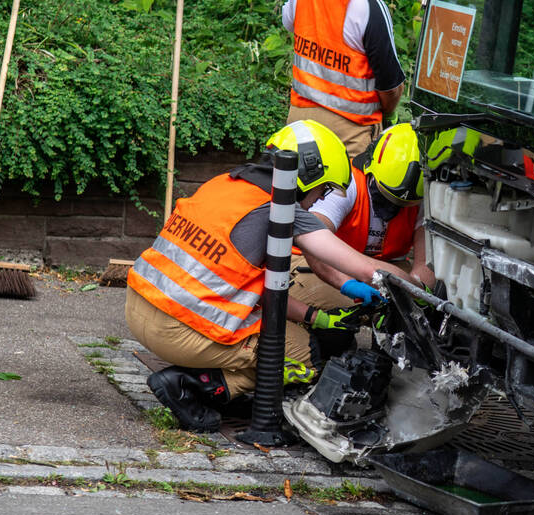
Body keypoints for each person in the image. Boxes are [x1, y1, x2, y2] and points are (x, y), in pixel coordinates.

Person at [124, 120, 417, 432]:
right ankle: (194, 385)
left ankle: (209, 375)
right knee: (307, 356)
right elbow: (363, 266)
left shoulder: (225, 184)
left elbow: (251, 286)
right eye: (324, 189)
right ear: (310, 173)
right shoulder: (280, 209)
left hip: (140, 308)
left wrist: (316, 316)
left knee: (287, 330)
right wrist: (424, 293)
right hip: (178, 330)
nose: (319, 200)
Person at [282, 0, 409, 157]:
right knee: (352, 197)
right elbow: (391, 88)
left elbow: (292, 26)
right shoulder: (367, 6)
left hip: (298, 125)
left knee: (291, 192)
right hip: (351, 135)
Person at [288, 123, 435, 325]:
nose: (394, 208)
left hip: (386, 266)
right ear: (371, 171)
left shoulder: (422, 198)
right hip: (324, 263)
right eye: (389, 197)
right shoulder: (347, 185)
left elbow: (426, 265)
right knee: (349, 311)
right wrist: (346, 283)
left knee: (403, 313)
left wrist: (416, 293)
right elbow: (311, 241)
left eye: (403, 204)